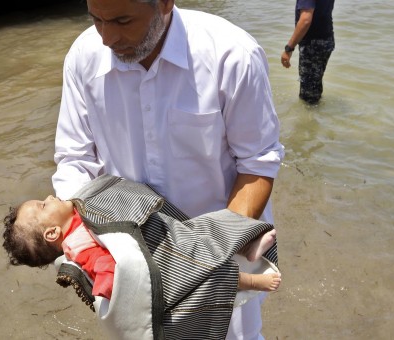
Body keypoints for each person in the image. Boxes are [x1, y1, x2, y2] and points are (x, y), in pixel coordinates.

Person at [52, 0, 284, 338]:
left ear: (164, 3)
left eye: (122, 20)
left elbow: (257, 164)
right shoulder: (83, 57)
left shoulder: (232, 55)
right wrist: (86, 247)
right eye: (97, 20)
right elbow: (75, 161)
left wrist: (211, 260)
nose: (106, 38)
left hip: (224, 251)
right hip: (129, 259)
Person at [2, 195, 282, 297]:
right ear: (52, 233)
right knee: (207, 272)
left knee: (203, 233)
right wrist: (104, 290)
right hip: (160, 262)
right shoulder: (78, 244)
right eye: (43, 205)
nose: (50, 196)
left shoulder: (78, 213)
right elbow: (107, 275)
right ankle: (255, 280)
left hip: (163, 235)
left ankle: (245, 247)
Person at [281, 0, 335, 104]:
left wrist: (289, 48)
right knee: (315, 88)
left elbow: (305, 19)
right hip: (326, 40)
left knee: (308, 98)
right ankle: (319, 116)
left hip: (313, 45)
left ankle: (310, 119)